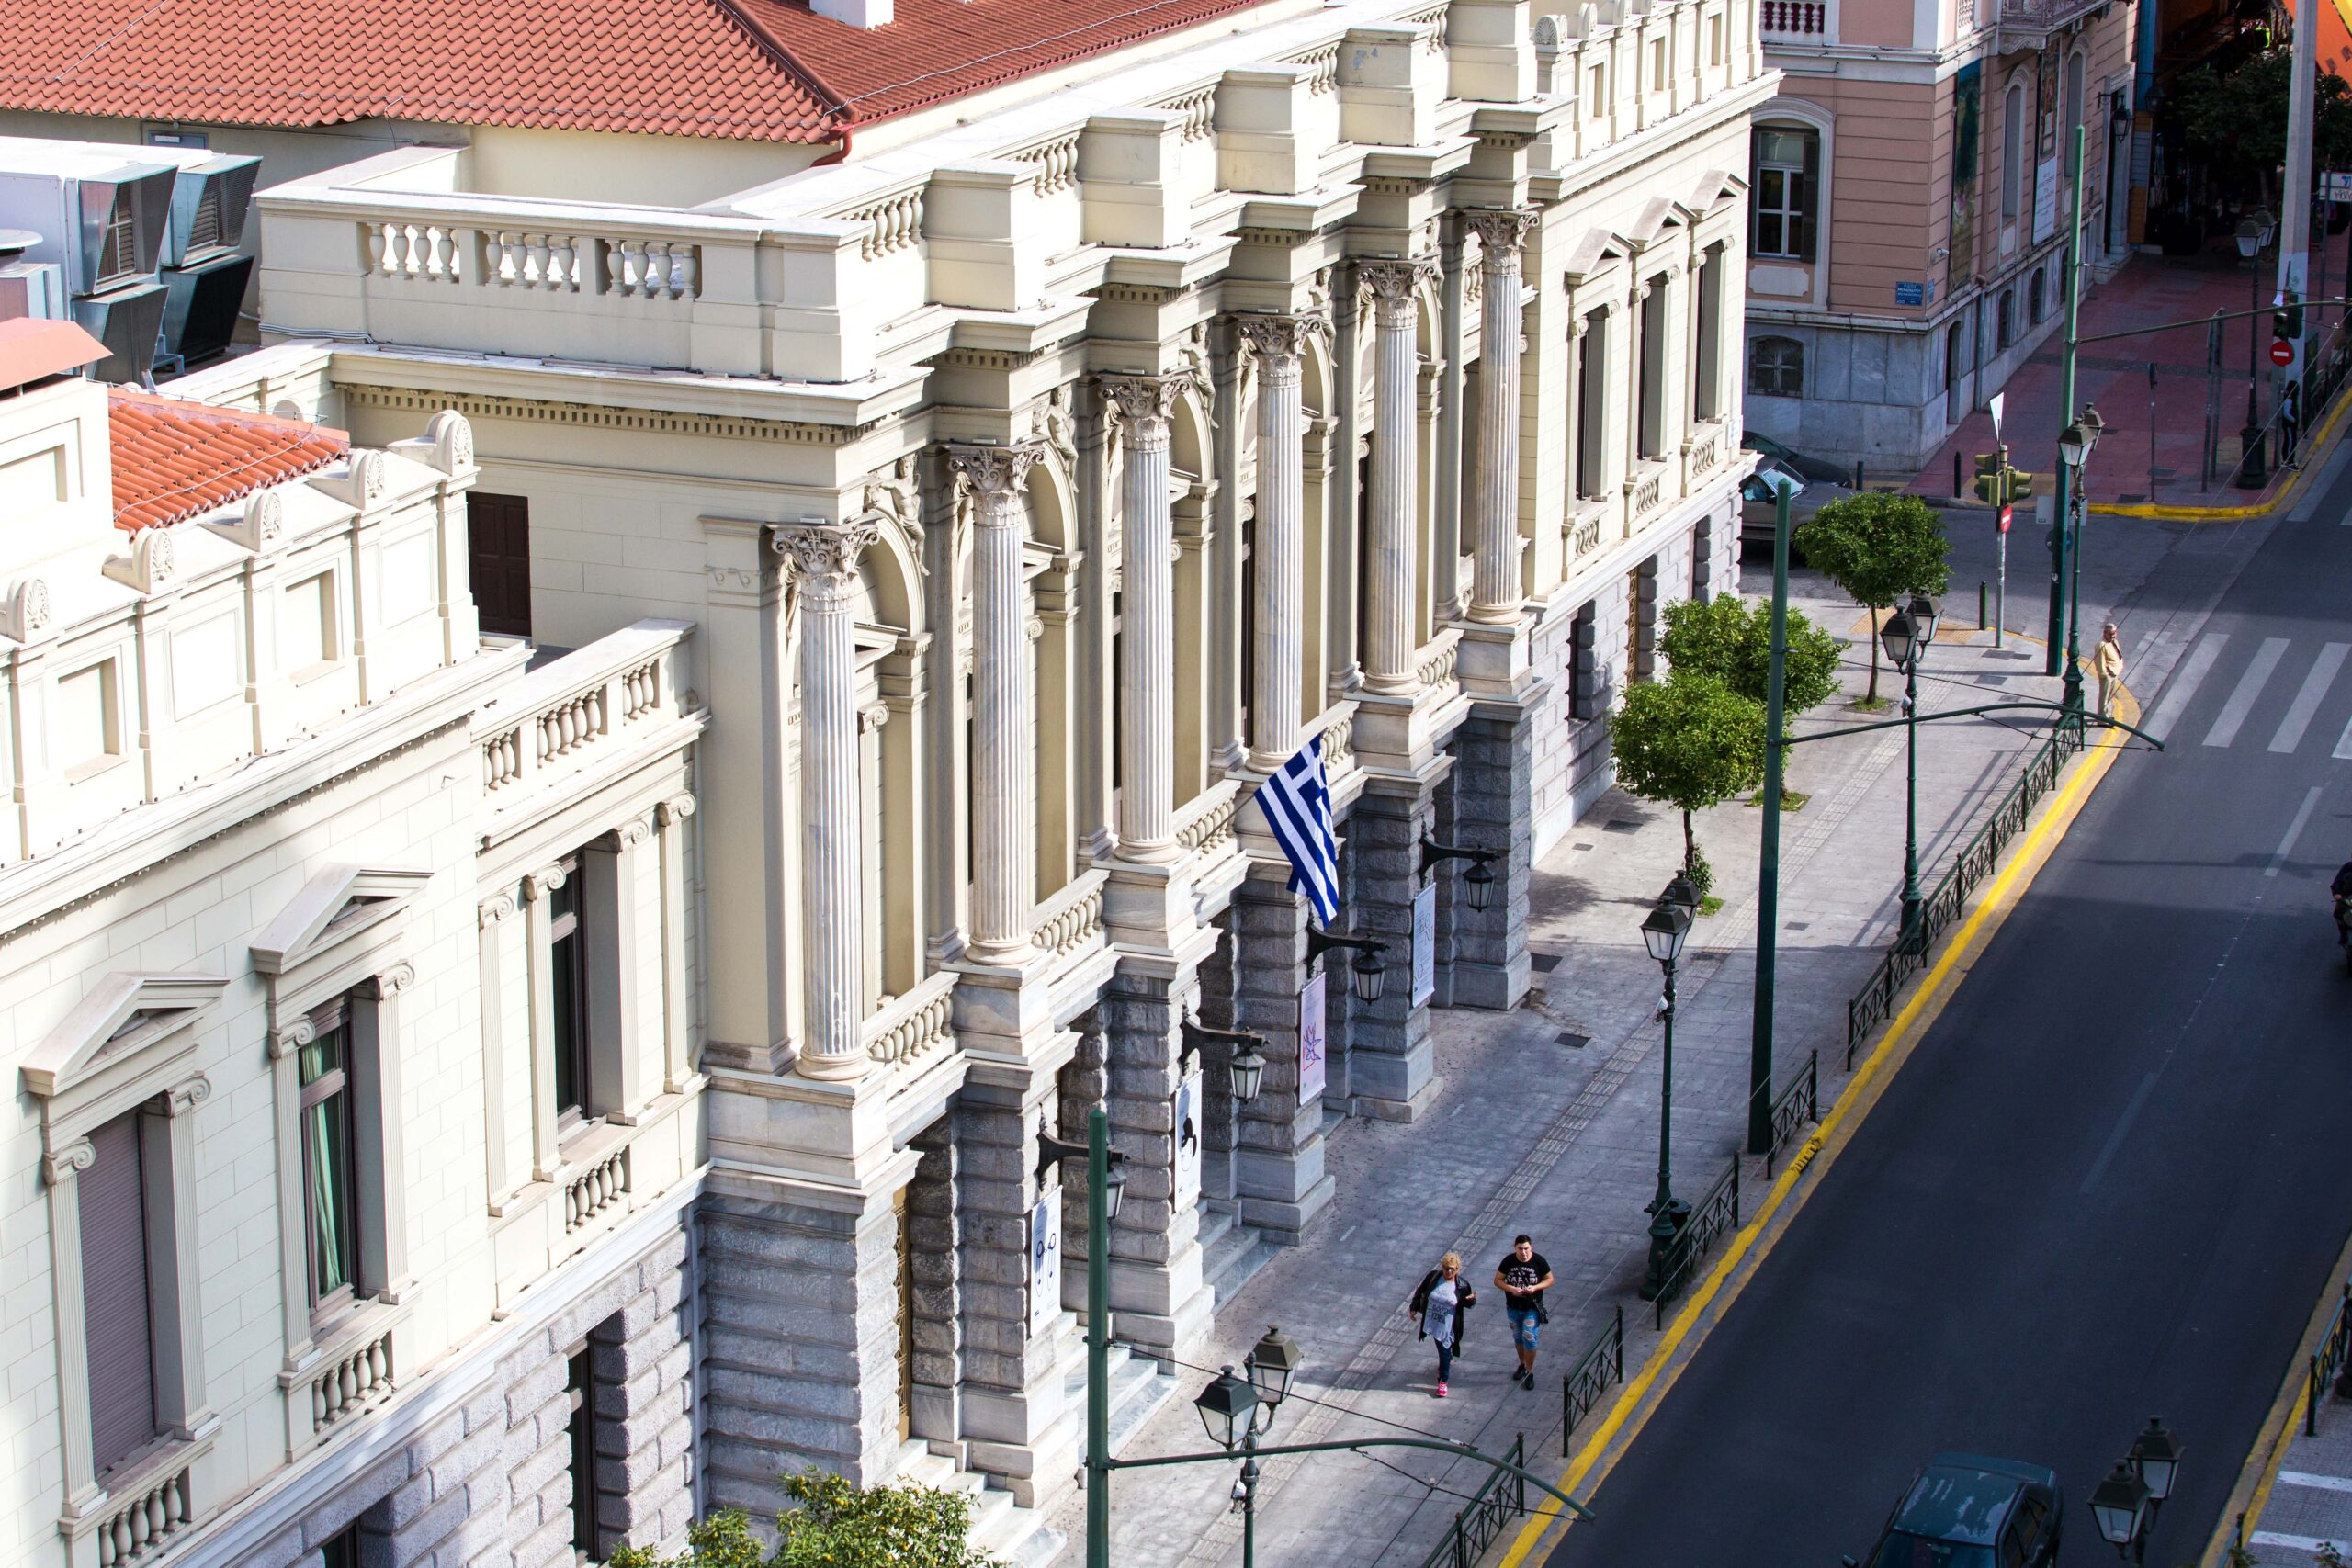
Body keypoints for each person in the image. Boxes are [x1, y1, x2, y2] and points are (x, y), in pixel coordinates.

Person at [1408, 1253, 1476, 1397]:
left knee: (1444, 1351)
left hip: (1448, 1326)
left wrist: (1471, 1300)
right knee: (1443, 1350)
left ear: (1457, 1269)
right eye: (1446, 1268)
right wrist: (1413, 1308)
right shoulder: (1433, 1277)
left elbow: (1467, 1303)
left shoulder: (1462, 1285)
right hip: (1433, 1321)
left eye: (1452, 1269)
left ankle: (1443, 1381)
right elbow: (1421, 1290)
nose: (1449, 1272)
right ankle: (1445, 1362)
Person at [1493, 1235, 1555, 1390]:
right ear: (1515, 1248)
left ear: (1531, 1247)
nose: (1523, 1252)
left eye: (1526, 1249)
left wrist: (1535, 1288)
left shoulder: (1538, 1261)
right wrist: (1512, 1289)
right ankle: (1522, 1364)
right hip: (1513, 1307)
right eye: (1520, 1249)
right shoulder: (1509, 1261)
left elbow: (1549, 1279)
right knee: (1518, 1337)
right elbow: (1498, 1280)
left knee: (1529, 1337)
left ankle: (1529, 1371)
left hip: (1531, 1308)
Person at [2093, 621, 2125, 719]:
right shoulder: (2101, 645)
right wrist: (2105, 675)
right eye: (2110, 634)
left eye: (2114, 633)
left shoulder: (2114, 642)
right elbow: (2100, 662)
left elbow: (2118, 655)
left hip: (2114, 673)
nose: (2113, 636)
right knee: (2104, 697)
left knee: (2109, 697)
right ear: (2105, 633)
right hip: (2107, 676)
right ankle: (2102, 718)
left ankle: (2107, 715)